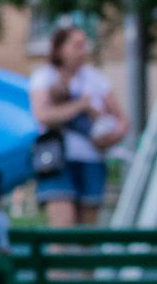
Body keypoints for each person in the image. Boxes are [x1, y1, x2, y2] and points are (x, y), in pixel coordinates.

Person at [28, 24, 129, 227]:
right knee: (62, 225)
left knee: (87, 233)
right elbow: (43, 115)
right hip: (57, 159)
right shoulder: (44, 77)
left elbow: (123, 119)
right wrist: (80, 106)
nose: (83, 50)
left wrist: (112, 137)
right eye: (76, 45)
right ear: (60, 48)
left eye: (84, 45)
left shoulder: (96, 79)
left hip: (92, 159)